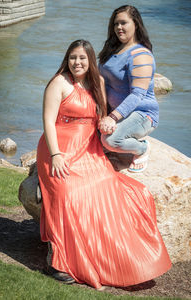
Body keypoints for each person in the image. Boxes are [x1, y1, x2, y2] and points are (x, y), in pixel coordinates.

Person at [37, 39, 171, 290]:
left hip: (89, 148)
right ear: (67, 59)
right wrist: (55, 155)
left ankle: (118, 259)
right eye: (73, 57)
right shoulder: (59, 83)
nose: (77, 63)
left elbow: (100, 117)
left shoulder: (97, 83)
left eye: (82, 58)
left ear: (90, 61)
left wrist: (108, 124)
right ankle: (58, 259)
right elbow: (47, 121)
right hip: (60, 147)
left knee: (116, 190)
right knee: (68, 192)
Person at [98, 5, 159, 173]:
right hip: (114, 111)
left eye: (124, 23)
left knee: (111, 141)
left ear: (136, 24)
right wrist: (102, 114)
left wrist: (112, 117)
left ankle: (142, 148)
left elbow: (138, 95)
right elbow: (101, 80)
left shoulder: (141, 55)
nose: (119, 27)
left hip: (142, 113)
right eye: (116, 24)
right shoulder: (111, 50)